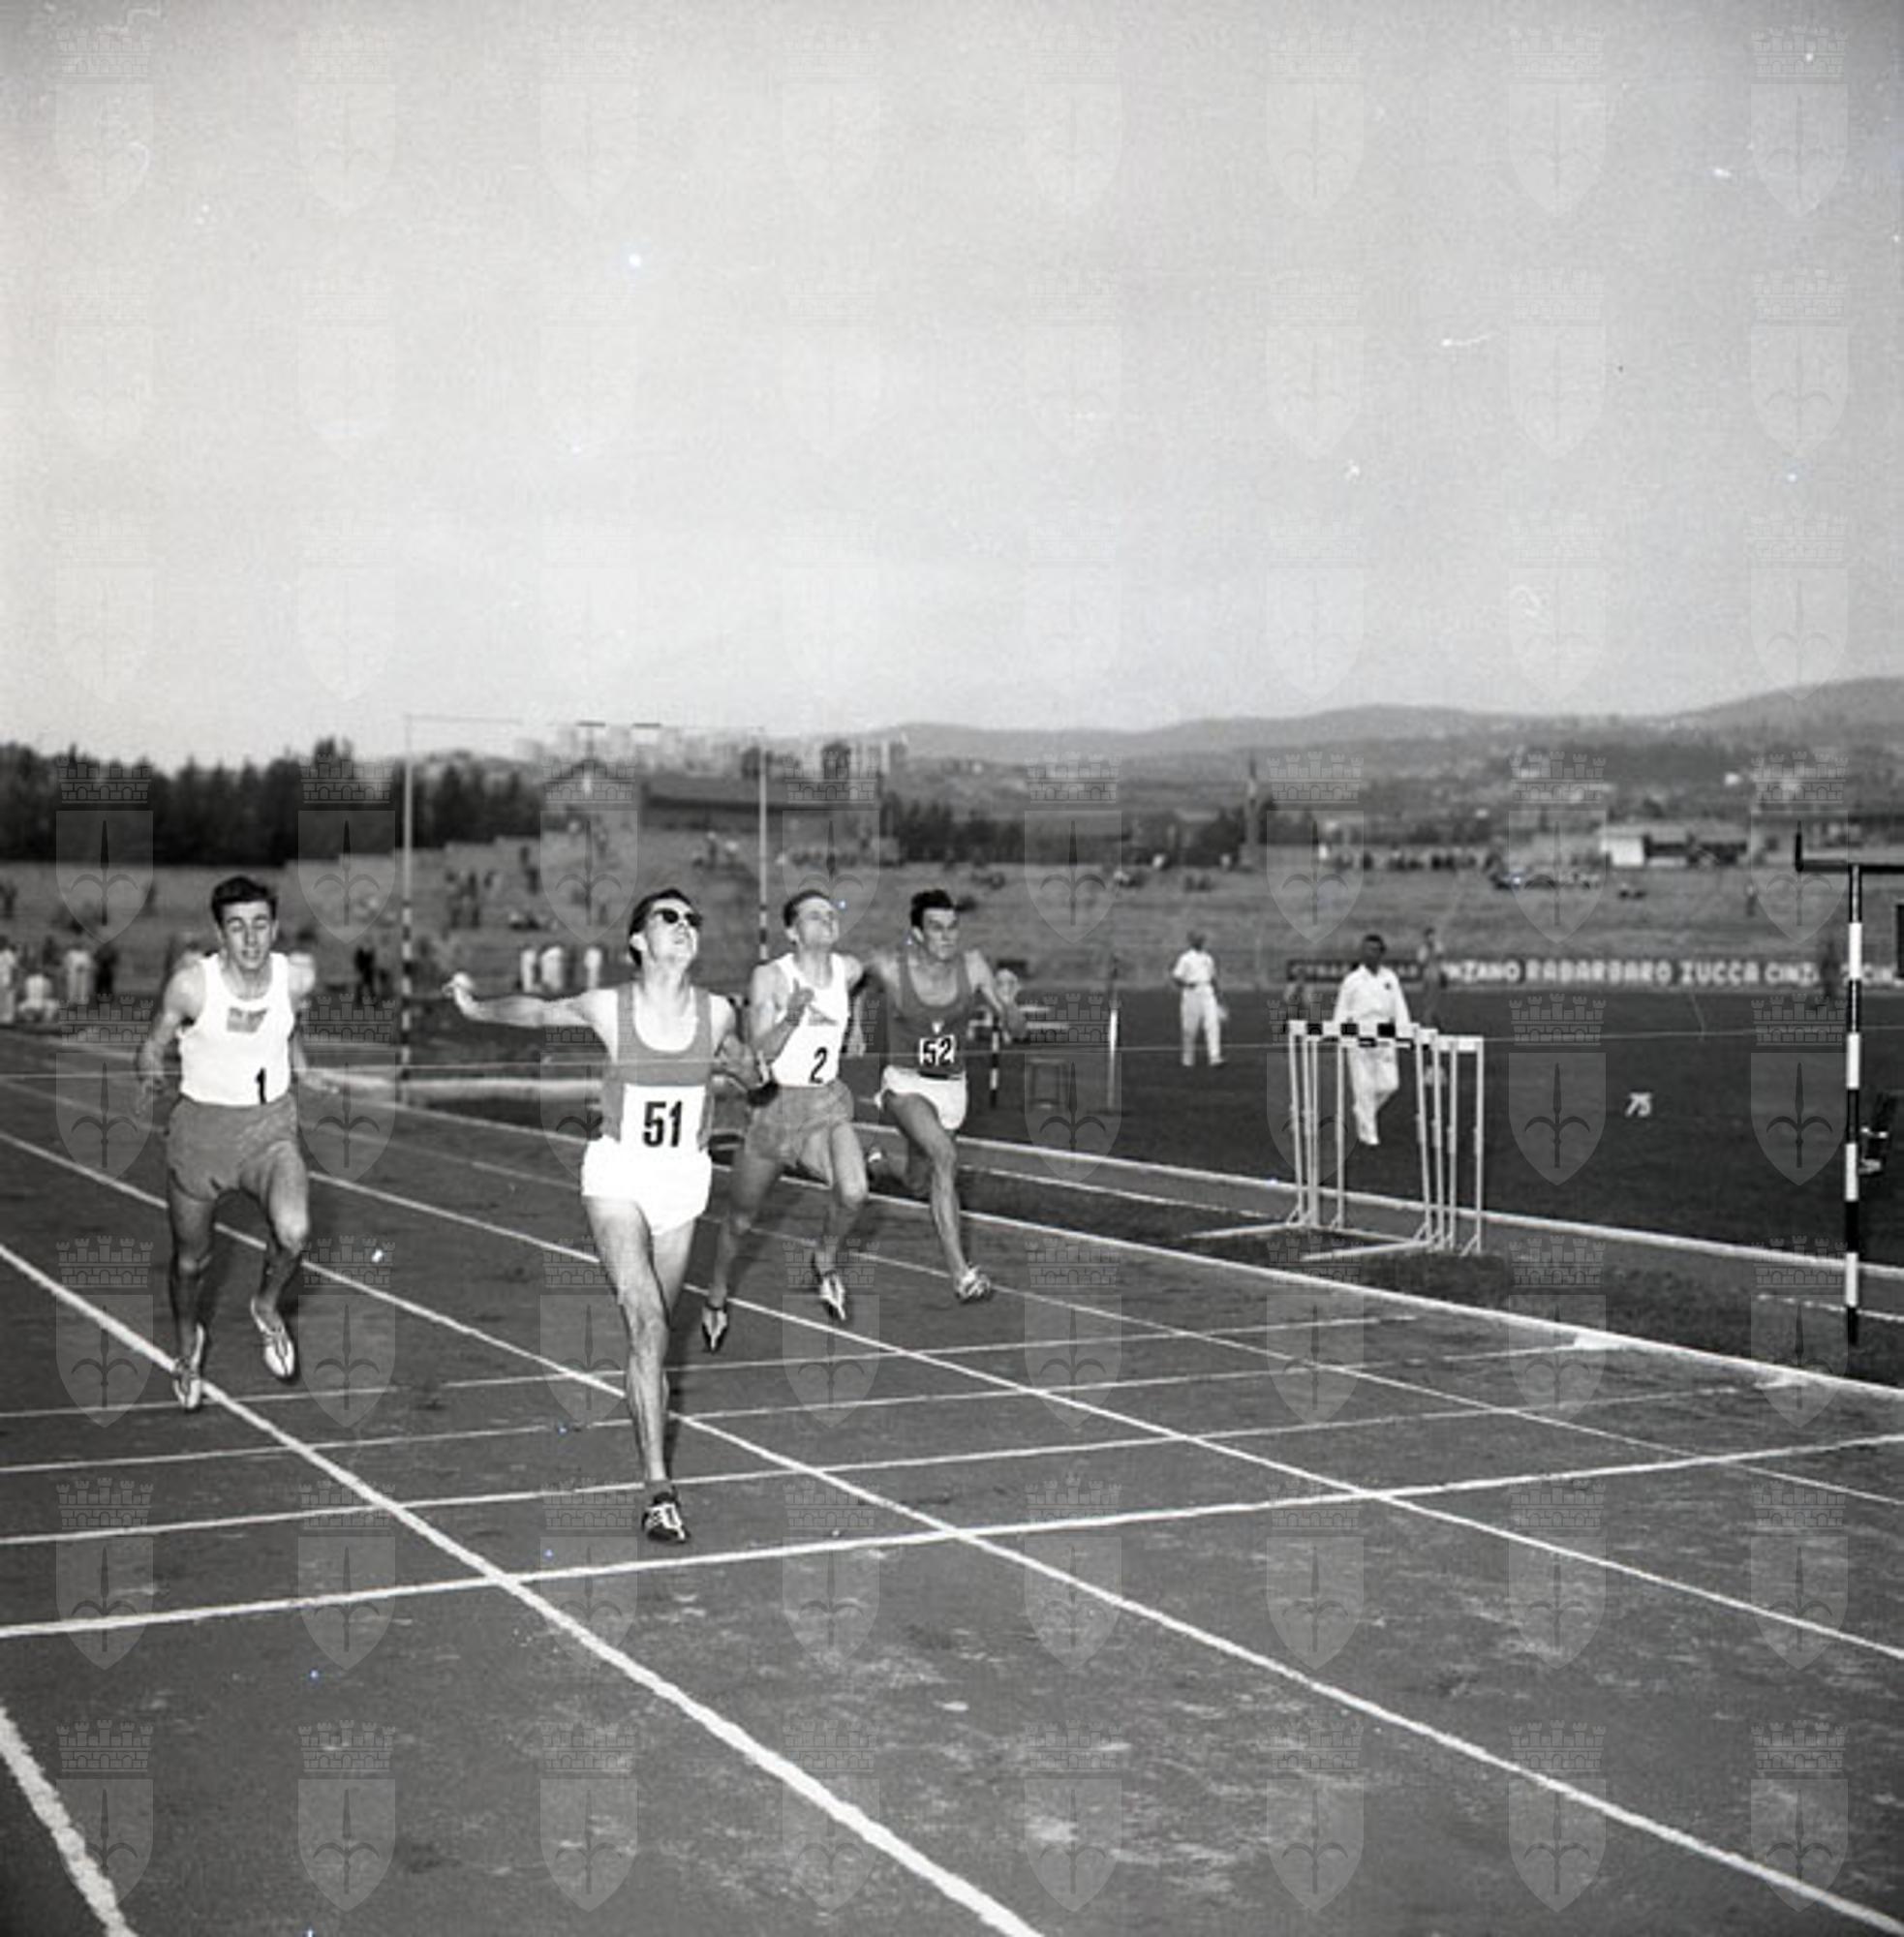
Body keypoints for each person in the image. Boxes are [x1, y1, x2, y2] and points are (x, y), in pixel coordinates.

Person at [445, 886, 758, 1545]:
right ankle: (658, 1491)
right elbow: (539, 1012)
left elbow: (745, 1068)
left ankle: (647, 1416)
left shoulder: (719, 1011)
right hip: (619, 1176)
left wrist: (753, 1072)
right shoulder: (610, 1006)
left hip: (683, 1182)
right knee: (646, 1323)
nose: (685, 926)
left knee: (656, 1338)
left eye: (692, 918)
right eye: (669, 918)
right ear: (639, 941)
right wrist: (477, 1006)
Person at [136, 876, 328, 1413]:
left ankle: (266, 1307)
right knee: (190, 1264)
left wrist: (303, 1069)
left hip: (269, 1131)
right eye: (237, 927)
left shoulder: (297, 978)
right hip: (201, 1136)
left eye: (260, 924)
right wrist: (150, 1067)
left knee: (294, 1232)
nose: (250, 938)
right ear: (220, 933)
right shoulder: (191, 986)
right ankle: (187, 1346)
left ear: (274, 928)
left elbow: (290, 1027)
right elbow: (152, 1044)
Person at [702, 890, 870, 1349]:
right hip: (774, 1108)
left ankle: (824, 1259)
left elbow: (862, 982)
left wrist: (856, 1025)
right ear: (792, 931)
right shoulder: (771, 977)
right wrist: (792, 1019)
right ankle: (716, 1293)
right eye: (815, 916)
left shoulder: (848, 969)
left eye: (831, 914)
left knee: (854, 1191)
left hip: (825, 1104)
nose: (827, 920)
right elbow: (756, 1054)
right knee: (740, 1220)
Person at [860, 888, 1024, 1304]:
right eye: (936, 928)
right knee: (945, 1157)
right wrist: (858, 1024)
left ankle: (881, 1164)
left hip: (952, 1088)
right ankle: (961, 1274)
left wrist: (1009, 1005)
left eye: (952, 927)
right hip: (905, 1084)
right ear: (917, 933)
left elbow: (1017, 1030)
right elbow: (851, 979)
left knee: (921, 1181)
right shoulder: (891, 967)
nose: (947, 936)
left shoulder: (974, 966)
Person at [1333, 931, 1412, 1146]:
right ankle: (1369, 1135)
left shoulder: (1390, 978)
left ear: (1381, 953)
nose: (1370, 954)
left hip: (1385, 1036)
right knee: (1364, 1086)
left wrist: (1404, 1032)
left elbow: (1399, 1007)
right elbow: (1342, 1009)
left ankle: (1362, 1112)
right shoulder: (1352, 981)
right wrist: (1340, 1034)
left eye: (1375, 950)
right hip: (1359, 1036)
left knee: (1390, 1084)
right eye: (1366, 950)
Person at [1169, 930, 1224, 1067]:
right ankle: (1187, 1058)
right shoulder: (1185, 958)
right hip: (1191, 993)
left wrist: (1219, 998)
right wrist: (1187, 984)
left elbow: (1213, 978)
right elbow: (1176, 977)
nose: (1200, 942)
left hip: (1207, 991)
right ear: (1191, 941)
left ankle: (1214, 1056)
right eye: (1197, 939)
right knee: (1189, 1027)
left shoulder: (1208, 958)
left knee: (1212, 1024)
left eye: (1201, 939)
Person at [1415, 924, 1447, 1030]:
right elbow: (1421, 962)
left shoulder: (1438, 947)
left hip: (1435, 977)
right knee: (1428, 1001)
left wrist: (1442, 974)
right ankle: (1429, 1022)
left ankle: (1433, 1022)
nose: (1431, 938)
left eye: (1432, 936)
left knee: (1434, 1001)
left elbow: (1441, 960)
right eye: (1429, 936)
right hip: (1428, 978)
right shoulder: (1423, 949)